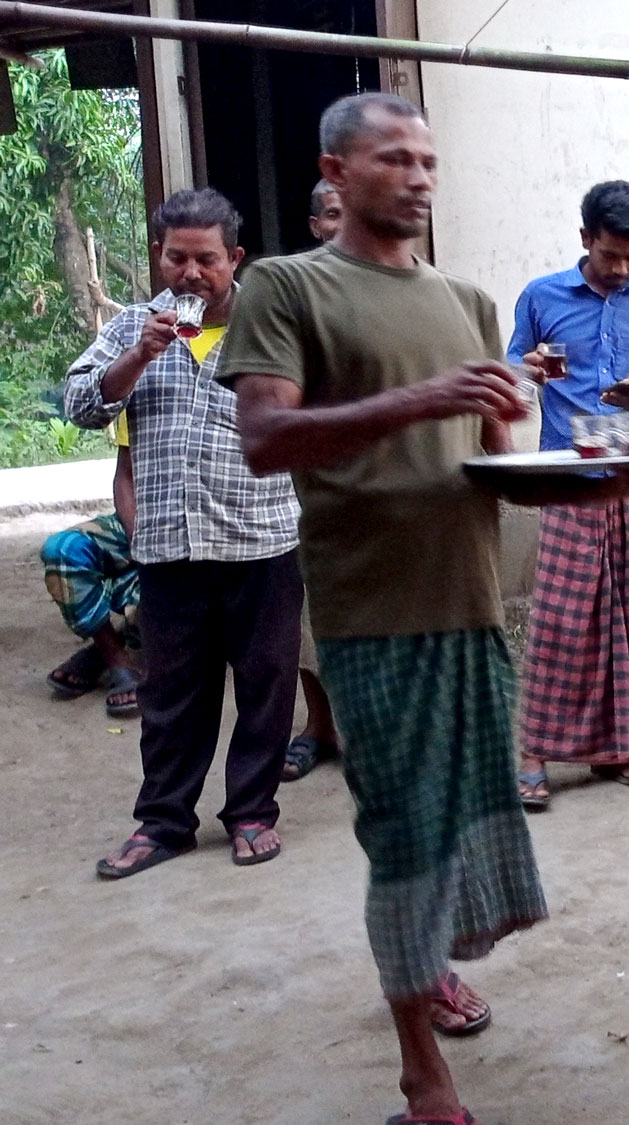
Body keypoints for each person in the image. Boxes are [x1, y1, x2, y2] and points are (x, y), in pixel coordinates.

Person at [226, 92, 629, 1124]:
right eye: (394, 158)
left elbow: (478, 469)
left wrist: (590, 481)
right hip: (371, 608)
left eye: (428, 159)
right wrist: (422, 400)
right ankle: (420, 1076)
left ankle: (424, 959)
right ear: (336, 173)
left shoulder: (468, 304)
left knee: (465, 830)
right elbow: (264, 440)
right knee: (402, 832)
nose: (420, 176)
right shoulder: (287, 286)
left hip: (469, 602)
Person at [63, 187, 304, 878]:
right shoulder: (135, 326)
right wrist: (138, 355)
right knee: (171, 694)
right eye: (176, 259)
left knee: (265, 684)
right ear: (158, 257)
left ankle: (252, 811)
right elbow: (80, 401)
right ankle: (163, 822)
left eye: (206, 259)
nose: (190, 274)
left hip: (261, 538)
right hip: (169, 543)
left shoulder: (273, 327)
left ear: (235, 258)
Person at [508, 180, 629, 809]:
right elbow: (514, 380)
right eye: (611, 255)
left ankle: (619, 745)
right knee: (560, 617)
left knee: (628, 616)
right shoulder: (540, 297)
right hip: (565, 478)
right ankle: (533, 751)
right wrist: (521, 373)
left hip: (628, 477)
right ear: (585, 239)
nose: (621, 268)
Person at [285, 178, 346, 782]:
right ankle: (318, 724)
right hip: (305, 473)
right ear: (314, 225)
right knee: (308, 603)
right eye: (331, 213)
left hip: (379, 471)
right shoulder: (290, 291)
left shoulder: (398, 287)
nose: (341, 223)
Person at [42, 417, 141, 718]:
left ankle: (104, 651)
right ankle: (114, 656)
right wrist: (140, 542)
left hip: (208, 534)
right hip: (146, 520)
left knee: (185, 584)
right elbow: (125, 476)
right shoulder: (145, 377)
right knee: (63, 551)